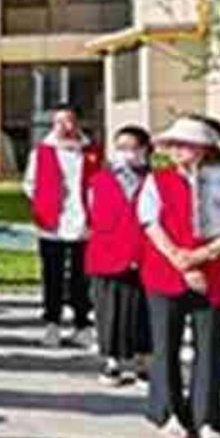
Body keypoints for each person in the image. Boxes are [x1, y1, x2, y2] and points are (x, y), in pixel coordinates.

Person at [139, 116, 220, 438]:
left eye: (182, 144)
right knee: (165, 346)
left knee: (210, 349)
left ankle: (208, 418)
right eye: (171, 144)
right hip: (166, 271)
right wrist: (180, 260)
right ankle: (168, 413)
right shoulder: (157, 181)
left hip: (215, 274)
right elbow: (150, 223)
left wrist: (201, 257)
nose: (174, 150)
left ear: (202, 149)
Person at [23, 103, 98, 348]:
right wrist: (44, 203)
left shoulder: (91, 152)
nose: (65, 126)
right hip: (51, 223)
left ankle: (82, 325)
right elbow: (30, 184)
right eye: (59, 122)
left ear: (77, 123)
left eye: (69, 121)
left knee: (82, 277)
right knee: (52, 276)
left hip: (84, 224)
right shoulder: (41, 152)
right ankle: (52, 324)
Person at [86, 125, 155, 386]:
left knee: (143, 312)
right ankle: (112, 362)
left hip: (146, 255)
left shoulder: (155, 181)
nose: (127, 153)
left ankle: (143, 362)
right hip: (107, 255)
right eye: (121, 148)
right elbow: (92, 215)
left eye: (133, 148)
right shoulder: (100, 180)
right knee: (110, 311)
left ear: (145, 150)